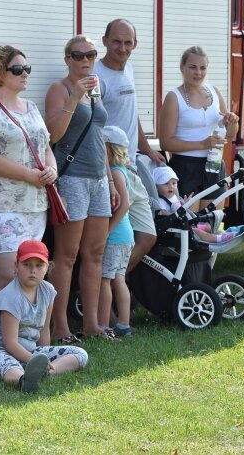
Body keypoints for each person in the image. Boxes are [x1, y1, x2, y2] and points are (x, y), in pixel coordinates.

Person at [0, 45, 58, 297]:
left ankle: (21, 333)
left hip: (34, 204)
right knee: (10, 273)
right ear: (0, 71)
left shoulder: (31, 107)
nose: (25, 73)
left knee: (31, 274)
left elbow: (45, 146)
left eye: (27, 68)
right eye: (17, 69)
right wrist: (29, 175)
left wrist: (52, 169)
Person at [44, 35, 112, 343]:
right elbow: (53, 134)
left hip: (98, 179)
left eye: (91, 54)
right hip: (72, 179)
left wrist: (110, 179)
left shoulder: (97, 90)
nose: (85, 60)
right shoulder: (60, 89)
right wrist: (73, 99)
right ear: (67, 59)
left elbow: (99, 136)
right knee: (67, 255)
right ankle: (60, 326)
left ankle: (92, 324)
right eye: (78, 55)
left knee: (95, 254)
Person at [94, 19, 165, 277]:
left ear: (135, 44)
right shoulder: (96, 77)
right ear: (104, 41)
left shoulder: (129, 69)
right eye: (116, 41)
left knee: (147, 236)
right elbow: (93, 128)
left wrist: (147, 149)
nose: (122, 48)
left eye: (127, 42)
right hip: (111, 169)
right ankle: (99, 295)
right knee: (112, 241)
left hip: (131, 164)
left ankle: (114, 287)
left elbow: (131, 114)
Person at [0, 240, 88, 393]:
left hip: (27, 353)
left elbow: (44, 330)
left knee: (80, 354)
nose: (32, 270)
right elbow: (10, 343)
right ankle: (22, 380)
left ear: (47, 267)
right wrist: (33, 360)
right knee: (9, 365)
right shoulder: (11, 297)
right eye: (26, 265)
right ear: (16, 267)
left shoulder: (48, 291)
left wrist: (42, 357)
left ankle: (46, 372)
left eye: (39, 265)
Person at [158, 46, 239, 210]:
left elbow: (229, 133)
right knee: (189, 227)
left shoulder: (214, 91)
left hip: (214, 163)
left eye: (202, 68)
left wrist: (233, 121)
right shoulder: (174, 97)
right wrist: (202, 145)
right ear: (182, 68)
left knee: (213, 223)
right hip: (185, 167)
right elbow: (166, 143)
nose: (198, 73)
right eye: (192, 67)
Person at [98, 126, 134, 338]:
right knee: (118, 280)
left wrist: (106, 232)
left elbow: (124, 204)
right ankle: (123, 324)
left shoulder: (117, 173)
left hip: (116, 235)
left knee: (105, 279)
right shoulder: (124, 171)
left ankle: (103, 324)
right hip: (124, 236)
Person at [152, 166, 238, 244]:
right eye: (166, 184)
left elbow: (183, 211)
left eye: (174, 183)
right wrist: (167, 213)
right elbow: (161, 215)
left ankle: (225, 234)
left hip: (188, 223)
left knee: (208, 227)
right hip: (176, 229)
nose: (171, 186)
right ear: (156, 186)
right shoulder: (159, 201)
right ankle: (217, 239)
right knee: (196, 231)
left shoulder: (176, 197)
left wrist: (185, 205)